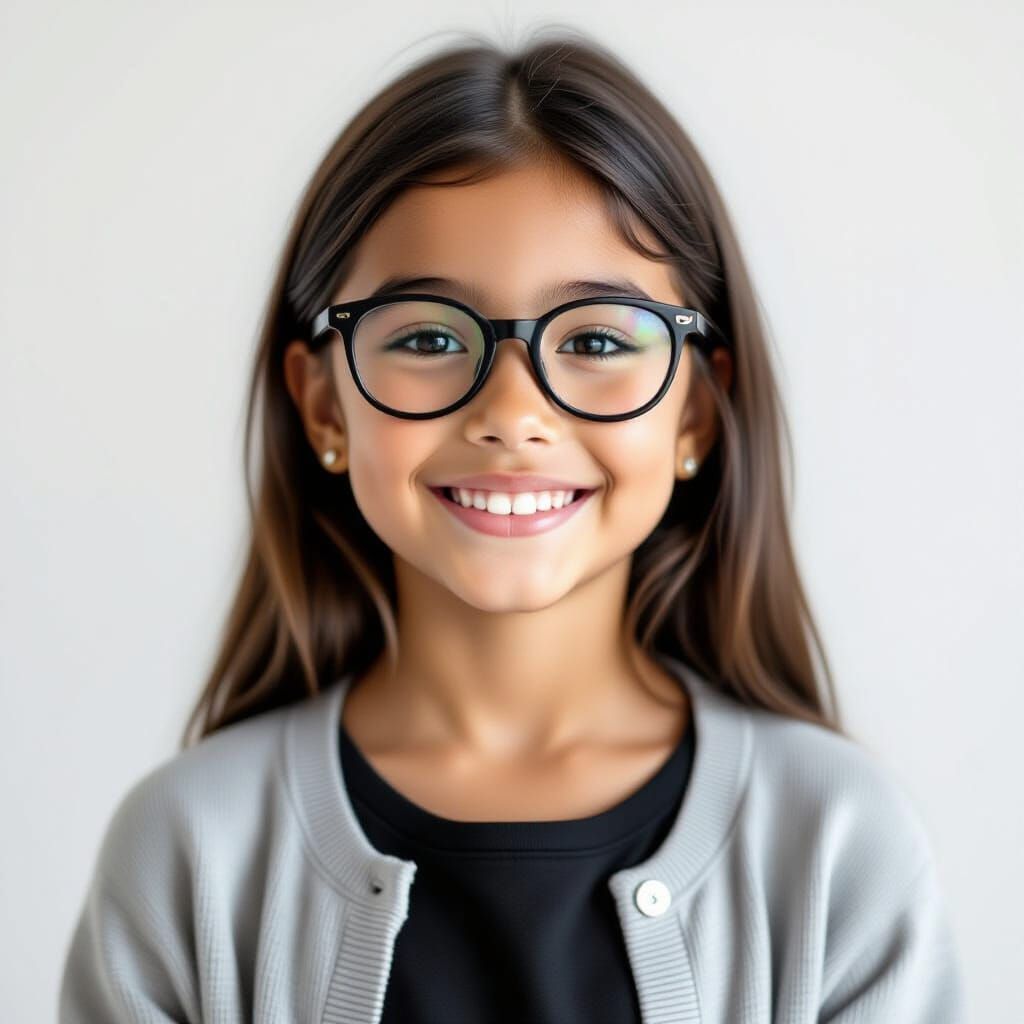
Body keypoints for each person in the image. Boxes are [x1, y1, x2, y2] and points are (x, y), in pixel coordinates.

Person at [58, 27, 968, 1024]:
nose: (511, 409)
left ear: (696, 414)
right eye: (428, 336)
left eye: (593, 339)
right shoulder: (188, 851)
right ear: (322, 406)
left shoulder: (837, 846)